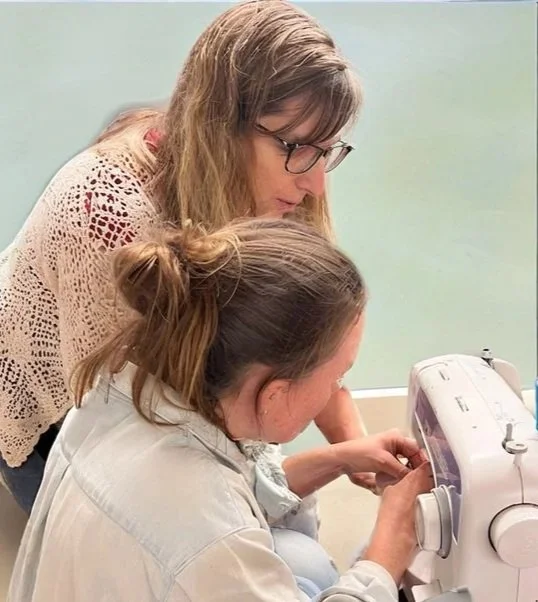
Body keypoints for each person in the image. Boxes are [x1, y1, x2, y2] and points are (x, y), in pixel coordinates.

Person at [0, 0, 374, 514]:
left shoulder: (286, 177)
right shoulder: (106, 209)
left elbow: (311, 331)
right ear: (222, 124)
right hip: (57, 422)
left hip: (165, 400)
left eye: (328, 150)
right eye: (298, 149)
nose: (314, 183)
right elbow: (119, 432)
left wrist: (353, 449)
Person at [8, 218, 432, 602]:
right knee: (324, 564)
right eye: (338, 376)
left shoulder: (117, 399)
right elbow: (210, 530)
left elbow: (221, 501)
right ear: (275, 394)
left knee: (299, 559)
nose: (335, 390)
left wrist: (338, 458)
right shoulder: (211, 533)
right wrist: (388, 547)